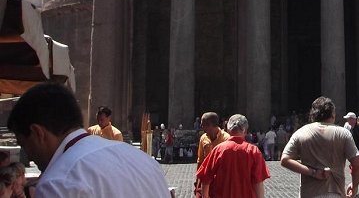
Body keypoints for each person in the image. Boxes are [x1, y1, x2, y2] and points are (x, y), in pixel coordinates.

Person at [6, 82, 171, 197]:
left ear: (37, 133)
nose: (28, 155)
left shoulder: (58, 183)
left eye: (24, 145)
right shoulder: (144, 160)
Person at [281, 96, 359, 198]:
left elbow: (284, 160)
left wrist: (313, 172)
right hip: (335, 192)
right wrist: (354, 187)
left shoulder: (301, 132)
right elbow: (358, 165)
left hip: (309, 193)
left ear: (313, 114)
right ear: (333, 114)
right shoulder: (343, 133)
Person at [196, 114, 270, 198]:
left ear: (228, 129)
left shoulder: (218, 150)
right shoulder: (253, 151)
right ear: (245, 131)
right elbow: (258, 182)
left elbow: (205, 179)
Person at [195, 112, 230, 197]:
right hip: (206, 176)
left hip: (221, 178)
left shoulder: (226, 138)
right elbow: (200, 160)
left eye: (202, 124)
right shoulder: (203, 138)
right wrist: (197, 181)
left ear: (210, 125)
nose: (201, 127)